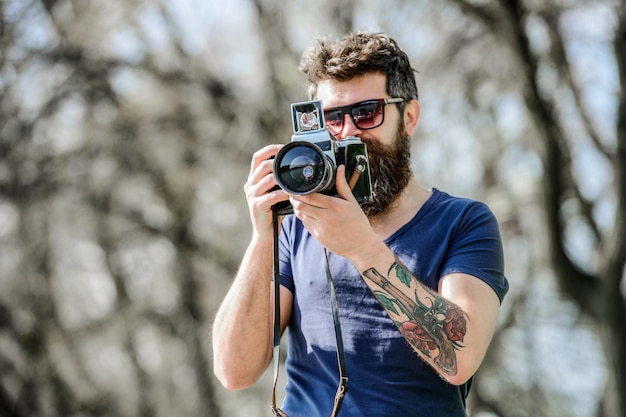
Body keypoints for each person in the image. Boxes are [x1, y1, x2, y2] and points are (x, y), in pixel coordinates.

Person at [212, 31, 509, 417]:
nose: (349, 132)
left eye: (368, 112)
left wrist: (360, 247)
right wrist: (261, 236)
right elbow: (233, 371)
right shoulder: (297, 226)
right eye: (333, 118)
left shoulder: (464, 221)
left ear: (410, 117)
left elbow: (460, 357)